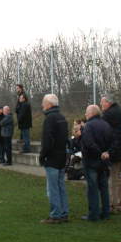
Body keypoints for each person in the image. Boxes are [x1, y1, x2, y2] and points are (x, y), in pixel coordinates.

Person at [39, 94, 69, 224]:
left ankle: (55, 214)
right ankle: (63, 213)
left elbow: (47, 140)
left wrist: (42, 155)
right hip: (62, 156)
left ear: (49, 105)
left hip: (52, 157)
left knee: (53, 188)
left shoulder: (49, 119)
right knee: (61, 186)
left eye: (43, 103)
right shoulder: (62, 118)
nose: (42, 105)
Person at [81, 105, 112, 222]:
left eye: (86, 112)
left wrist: (99, 152)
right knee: (104, 188)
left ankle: (94, 214)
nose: (85, 114)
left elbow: (88, 143)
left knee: (92, 188)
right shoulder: (106, 124)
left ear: (92, 113)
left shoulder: (88, 125)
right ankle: (106, 212)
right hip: (103, 161)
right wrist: (105, 153)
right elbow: (111, 141)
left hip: (91, 160)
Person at [100, 94, 121, 213]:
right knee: (118, 177)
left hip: (115, 150)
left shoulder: (109, 114)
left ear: (108, 103)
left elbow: (106, 130)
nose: (101, 104)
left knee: (113, 178)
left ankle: (113, 204)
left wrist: (109, 151)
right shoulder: (117, 111)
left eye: (102, 102)